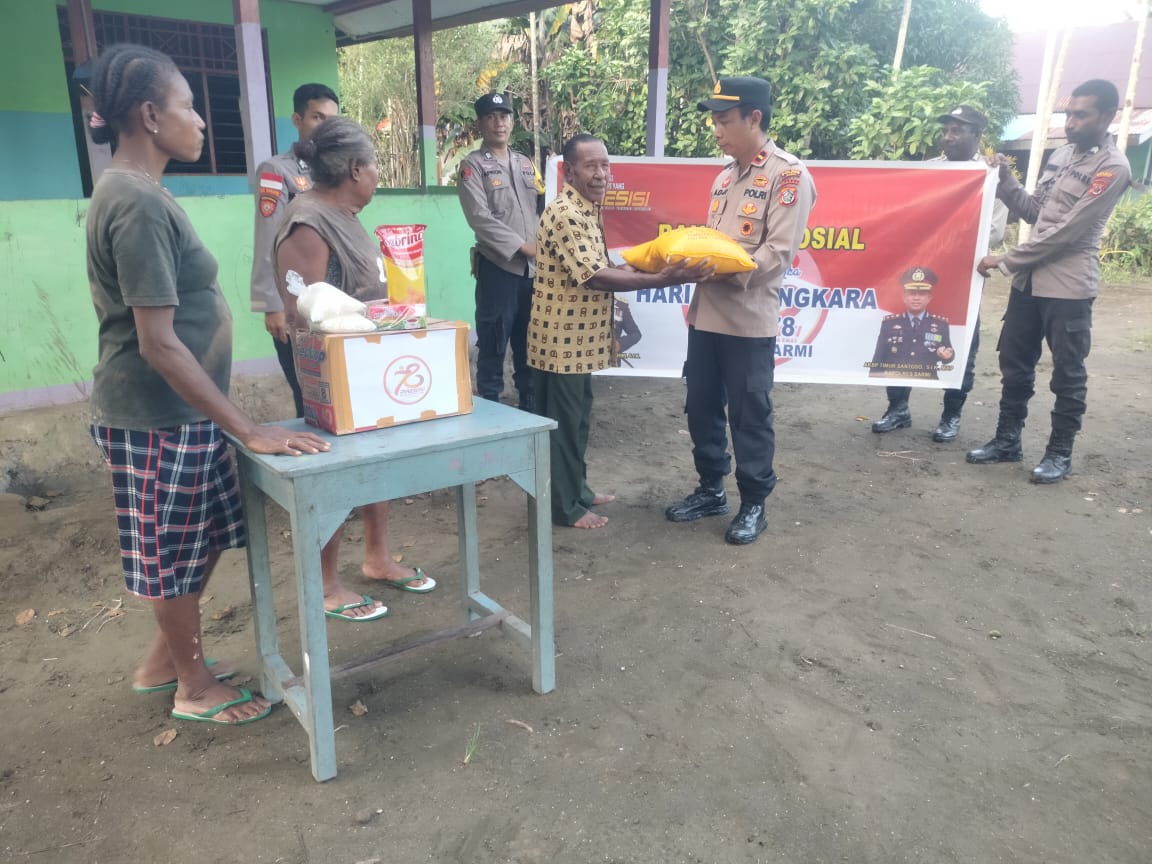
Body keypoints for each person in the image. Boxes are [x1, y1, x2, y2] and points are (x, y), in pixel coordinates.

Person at [85, 44, 331, 725]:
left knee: (207, 529)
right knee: (171, 550)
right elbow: (158, 342)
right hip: (155, 414)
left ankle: (166, 663)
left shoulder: (143, 192)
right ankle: (193, 688)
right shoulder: (134, 203)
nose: (199, 121)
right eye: (189, 106)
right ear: (148, 114)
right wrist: (248, 427)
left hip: (183, 412)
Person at [275, 117, 437, 607]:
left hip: (367, 370)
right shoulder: (307, 222)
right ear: (353, 168)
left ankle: (377, 557)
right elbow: (306, 315)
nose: (376, 173)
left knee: (376, 463)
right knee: (334, 473)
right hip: (332, 375)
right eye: (374, 164)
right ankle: (325, 584)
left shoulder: (342, 214)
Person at [529, 133, 713, 529]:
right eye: (591, 166)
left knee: (577, 419)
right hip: (561, 342)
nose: (601, 174)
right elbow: (595, 277)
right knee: (562, 424)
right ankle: (565, 507)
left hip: (580, 340)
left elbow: (604, 266)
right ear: (571, 171)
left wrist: (647, 265)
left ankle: (576, 487)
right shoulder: (566, 213)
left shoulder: (587, 208)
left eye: (605, 165)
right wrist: (664, 278)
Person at [665, 77, 816, 545]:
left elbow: (777, 254)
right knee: (702, 407)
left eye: (724, 120)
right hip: (705, 316)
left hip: (749, 321)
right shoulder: (724, 177)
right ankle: (711, 488)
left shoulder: (789, 176)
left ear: (754, 118)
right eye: (713, 120)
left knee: (750, 414)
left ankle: (754, 502)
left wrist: (719, 272)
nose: (716, 130)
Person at [970, 79, 1130, 484]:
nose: (1072, 123)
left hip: (1068, 286)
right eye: (1068, 114)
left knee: (1068, 373)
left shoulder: (1112, 167)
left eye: (1082, 114)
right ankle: (1007, 442)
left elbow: (1067, 233)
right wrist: (1005, 182)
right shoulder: (1061, 155)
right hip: (1029, 283)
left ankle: (1060, 453)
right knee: (1014, 363)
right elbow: (1036, 214)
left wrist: (1005, 259)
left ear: (1107, 116)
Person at [871, 105, 1009, 441]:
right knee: (902, 339)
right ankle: (897, 408)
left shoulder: (991, 177)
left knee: (961, 345)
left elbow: (995, 233)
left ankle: (951, 416)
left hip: (962, 278)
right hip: (919, 273)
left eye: (957, 130)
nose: (948, 137)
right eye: (946, 130)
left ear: (977, 135)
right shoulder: (929, 172)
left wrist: (951, 232)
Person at [250, 83, 340, 418]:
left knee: (340, 390)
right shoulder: (277, 172)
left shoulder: (338, 171)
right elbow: (267, 238)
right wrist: (271, 305)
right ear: (297, 120)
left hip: (338, 301)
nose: (325, 126)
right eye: (317, 117)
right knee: (310, 393)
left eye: (331, 119)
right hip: (297, 305)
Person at [457, 93, 540, 411]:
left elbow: (540, 208)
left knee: (529, 341)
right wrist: (521, 246)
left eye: (504, 115)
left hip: (532, 272)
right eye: (491, 116)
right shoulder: (472, 167)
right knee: (493, 340)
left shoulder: (525, 164)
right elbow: (479, 217)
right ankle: (490, 404)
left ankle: (529, 403)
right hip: (499, 268)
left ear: (513, 122)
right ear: (481, 124)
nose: (499, 122)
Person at [868, 266, 955, 379]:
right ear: (904, 297)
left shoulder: (940, 325)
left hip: (926, 380)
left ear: (929, 298)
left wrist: (946, 356)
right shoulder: (889, 324)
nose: (916, 298)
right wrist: (873, 378)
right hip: (896, 379)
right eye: (912, 293)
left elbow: (948, 352)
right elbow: (879, 356)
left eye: (922, 294)